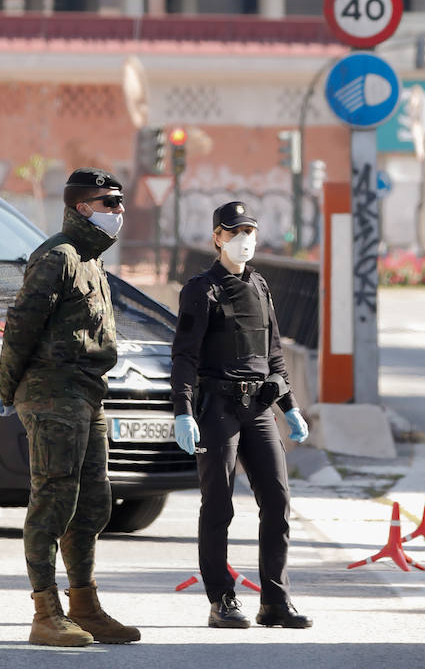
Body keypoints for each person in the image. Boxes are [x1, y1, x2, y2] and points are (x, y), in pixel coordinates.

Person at [0, 167, 141, 648]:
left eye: (119, 202)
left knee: (93, 501)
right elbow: (20, 326)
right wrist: (8, 388)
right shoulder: (57, 258)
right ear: (82, 208)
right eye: (109, 203)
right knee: (53, 499)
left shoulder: (91, 261)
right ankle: (46, 611)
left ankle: (85, 605)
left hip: (86, 391)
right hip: (52, 392)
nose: (119, 212)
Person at [170, 200, 312, 631]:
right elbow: (184, 356)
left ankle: (275, 601)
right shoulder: (201, 289)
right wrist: (183, 411)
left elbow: (273, 355)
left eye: (249, 231)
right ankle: (222, 600)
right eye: (234, 232)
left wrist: (290, 408)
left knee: (278, 501)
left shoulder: (261, 286)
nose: (243, 240)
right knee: (219, 506)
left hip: (259, 409)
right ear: (217, 237)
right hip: (217, 408)